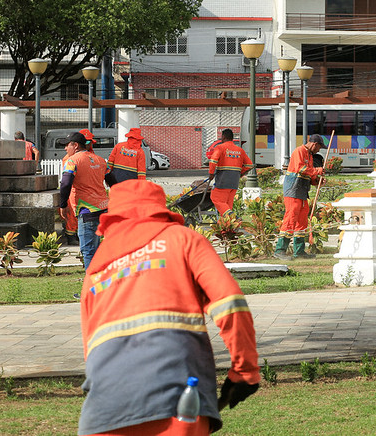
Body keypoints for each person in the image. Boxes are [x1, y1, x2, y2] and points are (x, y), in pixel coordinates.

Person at [78, 180, 260, 436]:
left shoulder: (96, 268)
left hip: (103, 409)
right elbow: (230, 303)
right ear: (160, 209)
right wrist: (245, 371)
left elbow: (90, 348)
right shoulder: (183, 240)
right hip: (177, 398)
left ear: (112, 217)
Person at [57, 132, 108, 270]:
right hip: (103, 210)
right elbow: (113, 181)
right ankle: (100, 288)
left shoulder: (72, 161)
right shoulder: (100, 160)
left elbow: (66, 183)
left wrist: (62, 205)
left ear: (76, 145)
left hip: (87, 212)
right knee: (97, 250)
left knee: (88, 252)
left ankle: (91, 290)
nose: (65, 149)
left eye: (67, 145)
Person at [274, 134, 326, 260]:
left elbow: (308, 174)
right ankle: (280, 250)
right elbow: (301, 169)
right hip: (293, 190)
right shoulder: (299, 151)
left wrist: (317, 180)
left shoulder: (310, 155)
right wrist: (317, 171)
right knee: (290, 218)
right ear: (314, 144)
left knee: (302, 220)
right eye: (319, 147)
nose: (319, 150)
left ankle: (299, 251)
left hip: (302, 191)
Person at [207, 129, 252, 216]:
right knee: (227, 205)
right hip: (234, 181)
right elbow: (249, 165)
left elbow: (212, 161)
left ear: (223, 137)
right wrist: (240, 173)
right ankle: (228, 226)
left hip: (223, 180)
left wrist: (211, 173)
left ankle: (233, 217)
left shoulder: (220, 147)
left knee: (216, 199)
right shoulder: (240, 150)